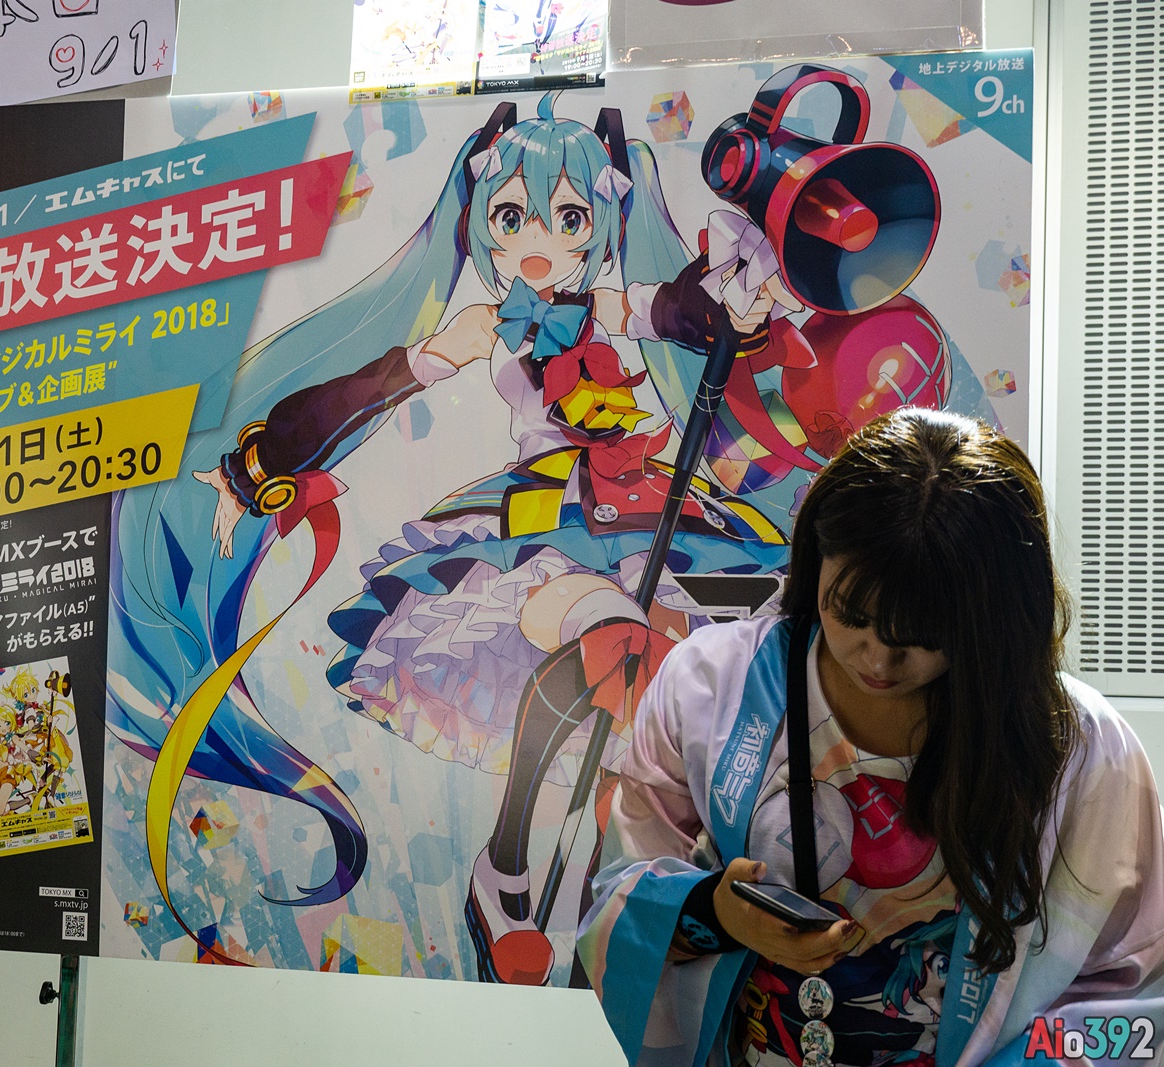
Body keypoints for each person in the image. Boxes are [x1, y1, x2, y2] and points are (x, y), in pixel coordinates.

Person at [111, 92, 815, 977]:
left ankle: (596, 879)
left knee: (651, 683)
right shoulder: (489, 325)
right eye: (513, 216)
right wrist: (263, 465)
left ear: (600, 221)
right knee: (602, 630)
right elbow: (369, 389)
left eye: (569, 217)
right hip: (548, 523)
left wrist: (734, 304)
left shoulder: (607, 304)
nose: (539, 240)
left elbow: (678, 312)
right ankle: (509, 863)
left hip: (649, 515)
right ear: (480, 221)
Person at [577, 407, 1164, 1065]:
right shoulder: (711, 686)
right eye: (850, 614)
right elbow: (619, 899)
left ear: (994, 617)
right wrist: (717, 914)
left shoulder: (1081, 753)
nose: (878, 660)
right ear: (816, 556)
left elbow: (1135, 997)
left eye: (922, 635)